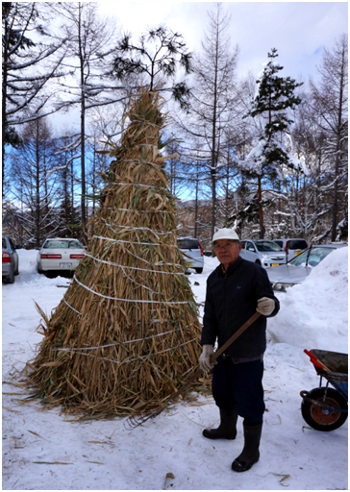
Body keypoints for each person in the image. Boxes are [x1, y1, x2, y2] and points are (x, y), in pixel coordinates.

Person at [199, 228, 280, 472]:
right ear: (213, 250)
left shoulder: (254, 272)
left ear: (239, 246)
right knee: (222, 392)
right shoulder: (213, 278)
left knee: (250, 400)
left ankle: (251, 451)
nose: (223, 249)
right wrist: (206, 346)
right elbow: (210, 316)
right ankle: (227, 429)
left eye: (228, 244)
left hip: (247, 350)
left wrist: (272, 306)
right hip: (222, 350)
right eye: (218, 246)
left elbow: (270, 303)